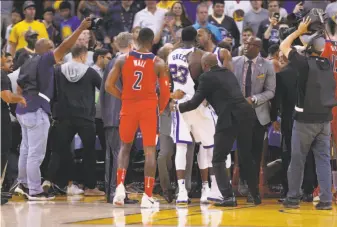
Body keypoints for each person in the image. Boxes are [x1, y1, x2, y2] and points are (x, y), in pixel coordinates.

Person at [14, 18, 92, 201]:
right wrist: (81, 28)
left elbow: (19, 88)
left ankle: (23, 184)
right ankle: (35, 190)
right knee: (36, 153)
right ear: (46, 50)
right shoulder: (45, 59)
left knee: (25, 150)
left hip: (22, 109)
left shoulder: (27, 62)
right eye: (51, 47)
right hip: (36, 109)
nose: (55, 50)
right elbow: (65, 45)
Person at [172, 53, 261, 206]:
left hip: (229, 117)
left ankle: (228, 197)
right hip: (246, 114)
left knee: (218, 158)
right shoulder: (228, 73)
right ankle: (255, 196)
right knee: (246, 156)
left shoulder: (206, 78)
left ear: (205, 65)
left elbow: (194, 103)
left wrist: (178, 106)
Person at [105, 28, 170, 208]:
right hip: (149, 108)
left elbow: (108, 86)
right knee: (150, 151)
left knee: (124, 148)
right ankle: (147, 196)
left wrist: (124, 96)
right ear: (151, 42)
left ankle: (119, 189)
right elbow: (165, 93)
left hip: (128, 106)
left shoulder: (122, 59)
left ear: (137, 40)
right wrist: (160, 108)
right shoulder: (158, 62)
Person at [280, 17, 335, 210]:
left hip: (304, 121)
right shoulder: (327, 63)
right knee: (323, 160)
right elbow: (311, 50)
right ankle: (326, 200)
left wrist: (298, 31)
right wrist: (309, 42)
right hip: (325, 120)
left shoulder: (302, 64)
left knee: (298, 160)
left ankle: (293, 198)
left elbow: (284, 45)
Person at [167, 26, 221, 205]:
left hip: (180, 104)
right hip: (197, 103)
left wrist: (171, 97)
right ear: (196, 39)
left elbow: (167, 81)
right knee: (207, 146)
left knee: (181, 147)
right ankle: (208, 188)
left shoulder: (171, 54)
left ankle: (182, 191)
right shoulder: (200, 55)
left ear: (181, 38)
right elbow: (207, 81)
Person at [232, 36, 276, 203]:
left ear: (258, 48)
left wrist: (254, 99)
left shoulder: (267, 65)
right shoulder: (234, 62)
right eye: (245, 43)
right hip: (239, 113)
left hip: (259, 114)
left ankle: (253, 189)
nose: (246, 46)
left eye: (250, 44)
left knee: (256, 154)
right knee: (243, 153)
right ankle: (248, 185)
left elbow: (271, 91)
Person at [270, 50, 317, 202]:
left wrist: (273, 119)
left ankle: (289, 191)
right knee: (309, 154)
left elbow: (277, 101)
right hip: (311, 118)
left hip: (290, 120)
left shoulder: (282, 75)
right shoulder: (311, 71)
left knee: (289, 155)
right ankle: (309, 190)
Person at [100, 32, 138, 204]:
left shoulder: (110, 62)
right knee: (120, 154)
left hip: (108, 114)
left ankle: (111, 192)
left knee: (112, 154)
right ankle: (117, 192)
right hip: (120, 113)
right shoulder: (124, 61)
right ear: (131, 45)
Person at [1, 52, 26, 205]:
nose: (9, 62)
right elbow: (6, 97)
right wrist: (21, 98)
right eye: (5, 58)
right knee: (2, 152)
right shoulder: (2, 76)